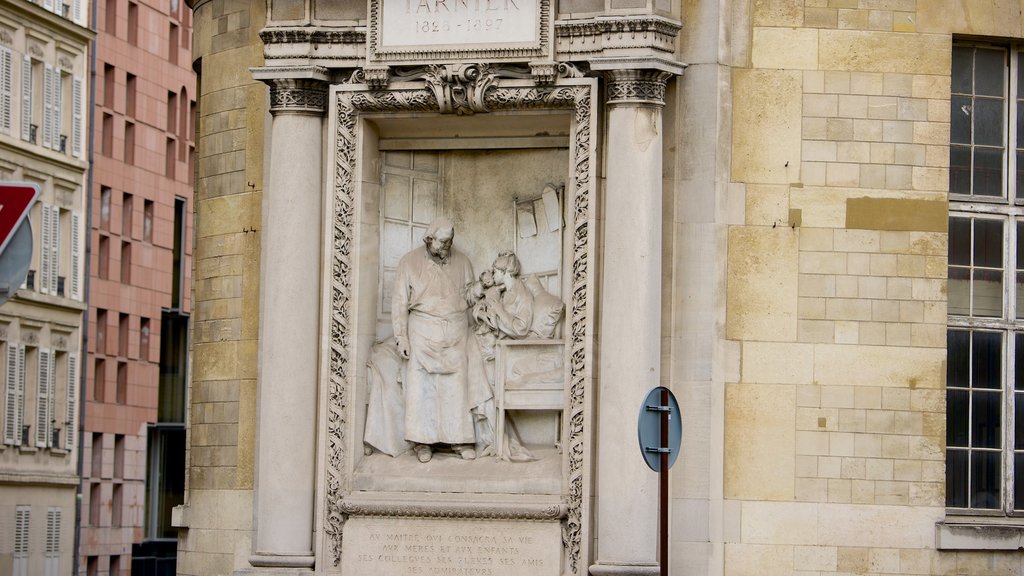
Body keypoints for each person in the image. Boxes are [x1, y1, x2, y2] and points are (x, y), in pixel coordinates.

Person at [391, 218, 480, 463]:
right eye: (442, 240)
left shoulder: (463, 262)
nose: (447, 244)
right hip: (422, 333)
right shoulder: (408, 262)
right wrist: (401, 338)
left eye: (450, 239)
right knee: (422, 389)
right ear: (429, 239)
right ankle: (422, 443)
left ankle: (459, 441)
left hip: (455, 332)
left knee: (456, 387)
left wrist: (480, 289)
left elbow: (469, 296)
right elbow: (399, 303)